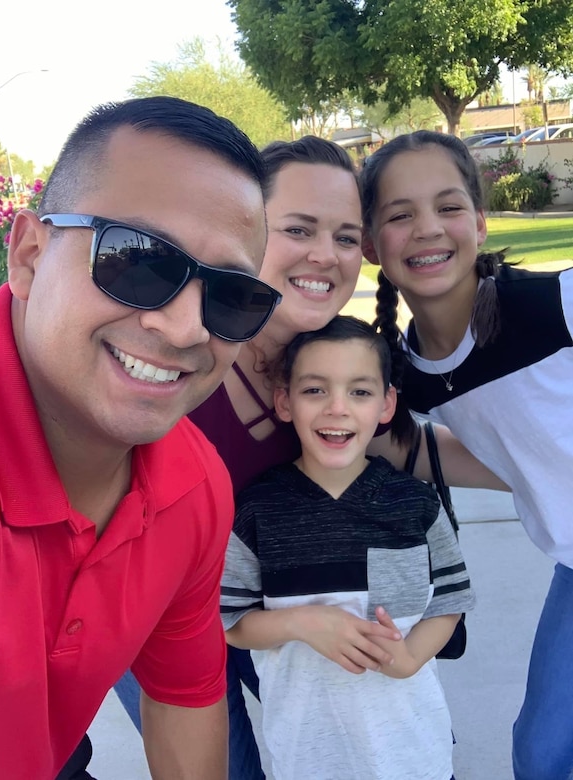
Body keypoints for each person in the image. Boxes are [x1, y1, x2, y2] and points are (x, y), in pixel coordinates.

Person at [114, 133, 505, 779]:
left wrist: (529, 471)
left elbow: (409, 449)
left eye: (346, 237)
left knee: (351, 746)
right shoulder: (177, 353)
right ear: (246, 229)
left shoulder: (331, 370)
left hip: (285, 609)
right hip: (158, 622)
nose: (324, 255)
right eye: (298, 229)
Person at [0, 95, 281, 779]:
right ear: (29, 254)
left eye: (231, 296)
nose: (185, 329)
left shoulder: (192, 486)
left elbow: (182, 696)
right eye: (138, 261)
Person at [359, 129, 573, 780]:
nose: (428, 229)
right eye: (400, 215)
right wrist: (381, 443)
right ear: (370, 245)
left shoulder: (555, 306)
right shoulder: (407, 371)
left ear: (478, 224)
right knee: (542, 757)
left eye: (448, 207)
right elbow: (508, 459)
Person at [221, 315, 475, 780]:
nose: (337, 408)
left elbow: (450, 601)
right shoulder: (258, 510)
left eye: (359, 391)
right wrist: (304, 622)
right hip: (309, 759)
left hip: (414, 754)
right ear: (284, 401)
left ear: (386, 404)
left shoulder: (415, 503)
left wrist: (411, 656)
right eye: (315, 390)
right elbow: (231, 621)